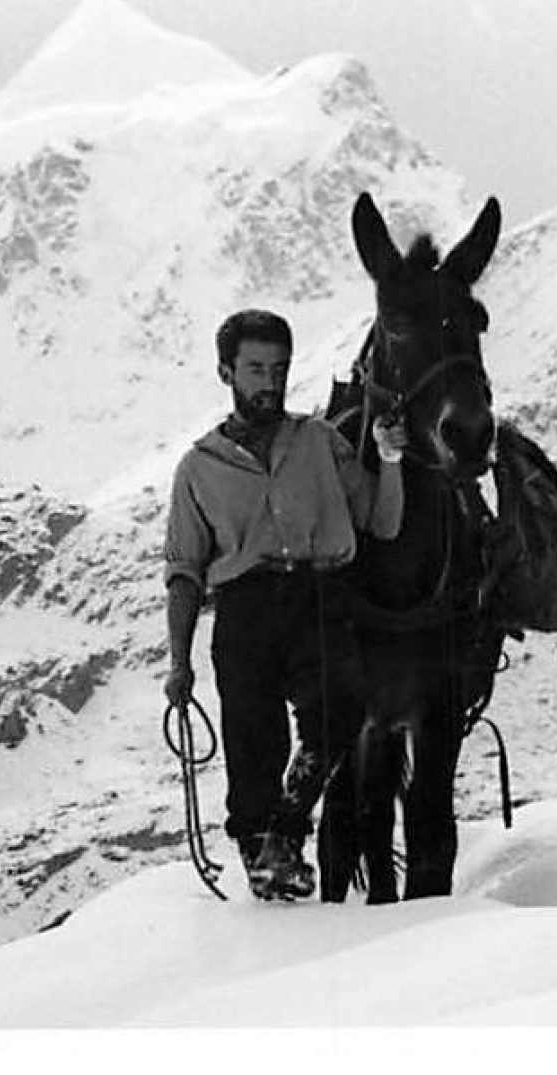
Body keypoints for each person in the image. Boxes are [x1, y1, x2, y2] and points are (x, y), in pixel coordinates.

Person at [163, 308, 408, 900]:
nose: (269, 381)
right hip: (244, 608)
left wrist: (391, 459)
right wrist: (179, 661)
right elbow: (184, 572)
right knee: (252, 740)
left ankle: (287, 832)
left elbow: (381, 520)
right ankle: (264, 867)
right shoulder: (198, 467)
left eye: (278, 368)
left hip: (318, 595)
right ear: (226, 371)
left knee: (340, 710)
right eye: (255, 369)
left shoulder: (320, 442)